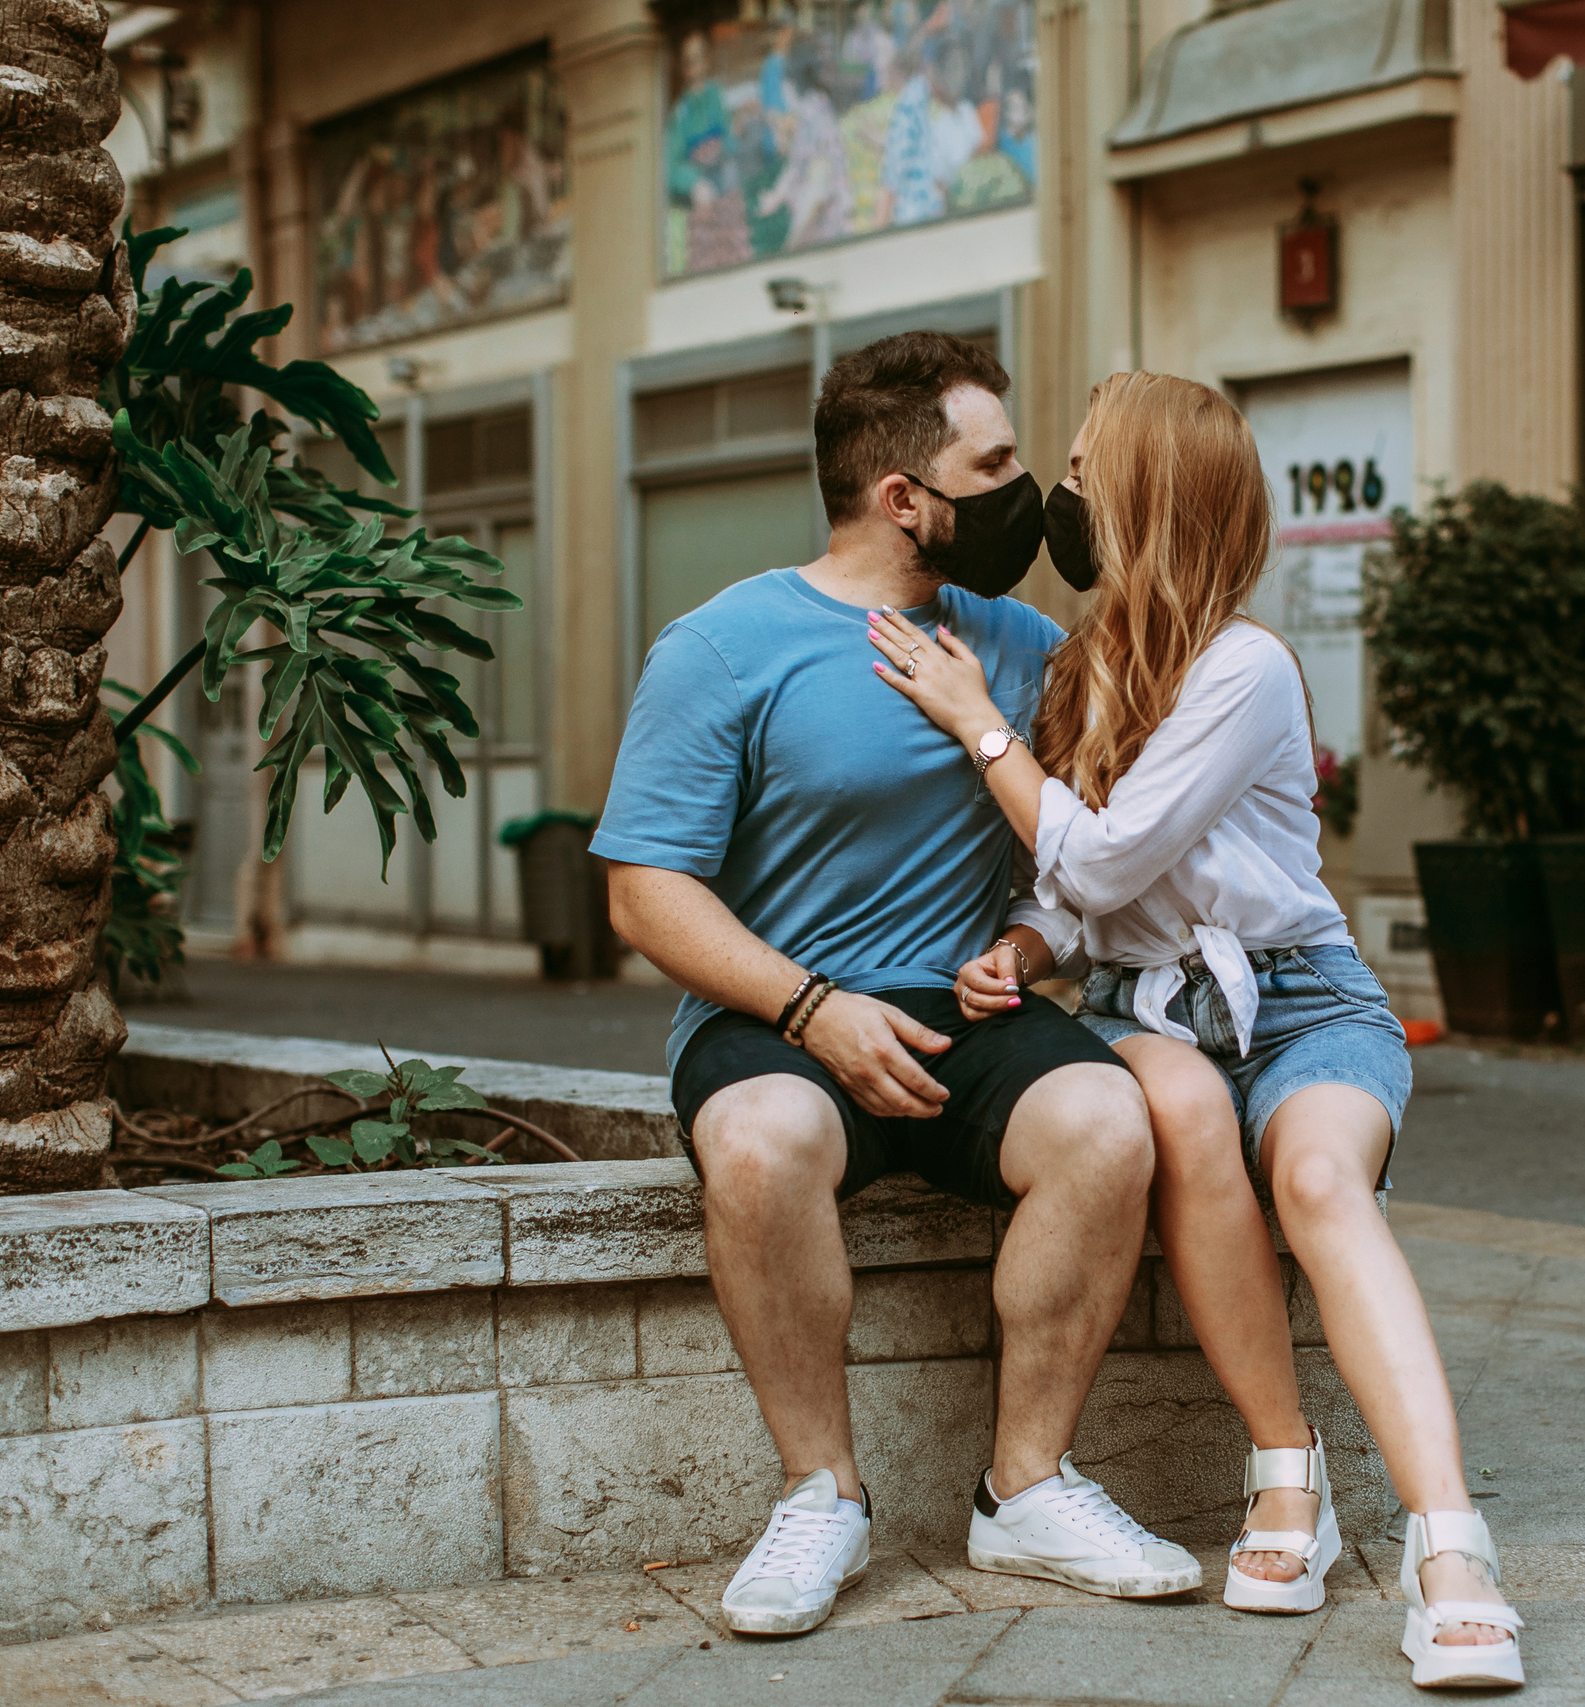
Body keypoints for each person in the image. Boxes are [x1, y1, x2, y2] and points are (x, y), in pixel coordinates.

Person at [864, 371, 1526, 1690]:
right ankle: (1287, 1472)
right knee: (1174, 1110)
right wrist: (1021, 948)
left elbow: (1103, 857)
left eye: (1077, 468)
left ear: (1147, 496)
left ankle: (1452, 1547)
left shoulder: (1247, 669)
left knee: (1323, 1177)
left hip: (1301, 1002)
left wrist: (975, 725)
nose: (1056, 498)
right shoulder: (1087, 665)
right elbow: (1076, 897)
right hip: (1148, 1008)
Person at [593, 334, 1202, 1640]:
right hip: (779, 1022)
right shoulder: (726, 645)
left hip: (968, 1017)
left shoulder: (1024, 644)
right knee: (760, 1146)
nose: (1024, 493)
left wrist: (1032, 951)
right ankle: (823, 1494)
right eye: (993, 467)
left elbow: (1079, 849)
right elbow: (646, 892)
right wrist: (812, 1007)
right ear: (902, 500)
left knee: (1108, 1125)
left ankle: (1026, 1489)